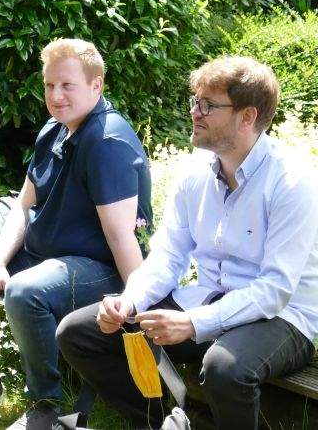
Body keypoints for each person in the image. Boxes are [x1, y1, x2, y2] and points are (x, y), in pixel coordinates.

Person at [58, 56, 318, 430]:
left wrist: (193, 323)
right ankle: (158, 423)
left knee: (224, 368)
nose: (195, 112)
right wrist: (130, 300)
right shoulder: (195, 171)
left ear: (247, 117)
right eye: (195, 101)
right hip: (210, 298)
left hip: (283, 318)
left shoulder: (293, 182)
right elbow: (168, 254)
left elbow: (274, 290)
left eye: (208, 105)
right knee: (79, 332)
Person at [0, 38, 152, 430]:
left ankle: (46, 405)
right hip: (46, 253)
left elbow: (121, 237)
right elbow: (23, 205)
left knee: (25, 290)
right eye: (49, 85)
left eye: (67, 85)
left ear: (96, 85)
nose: (56, 96)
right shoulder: (55, 128)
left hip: (98, 268)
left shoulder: (106, 141)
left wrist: (139, 304)